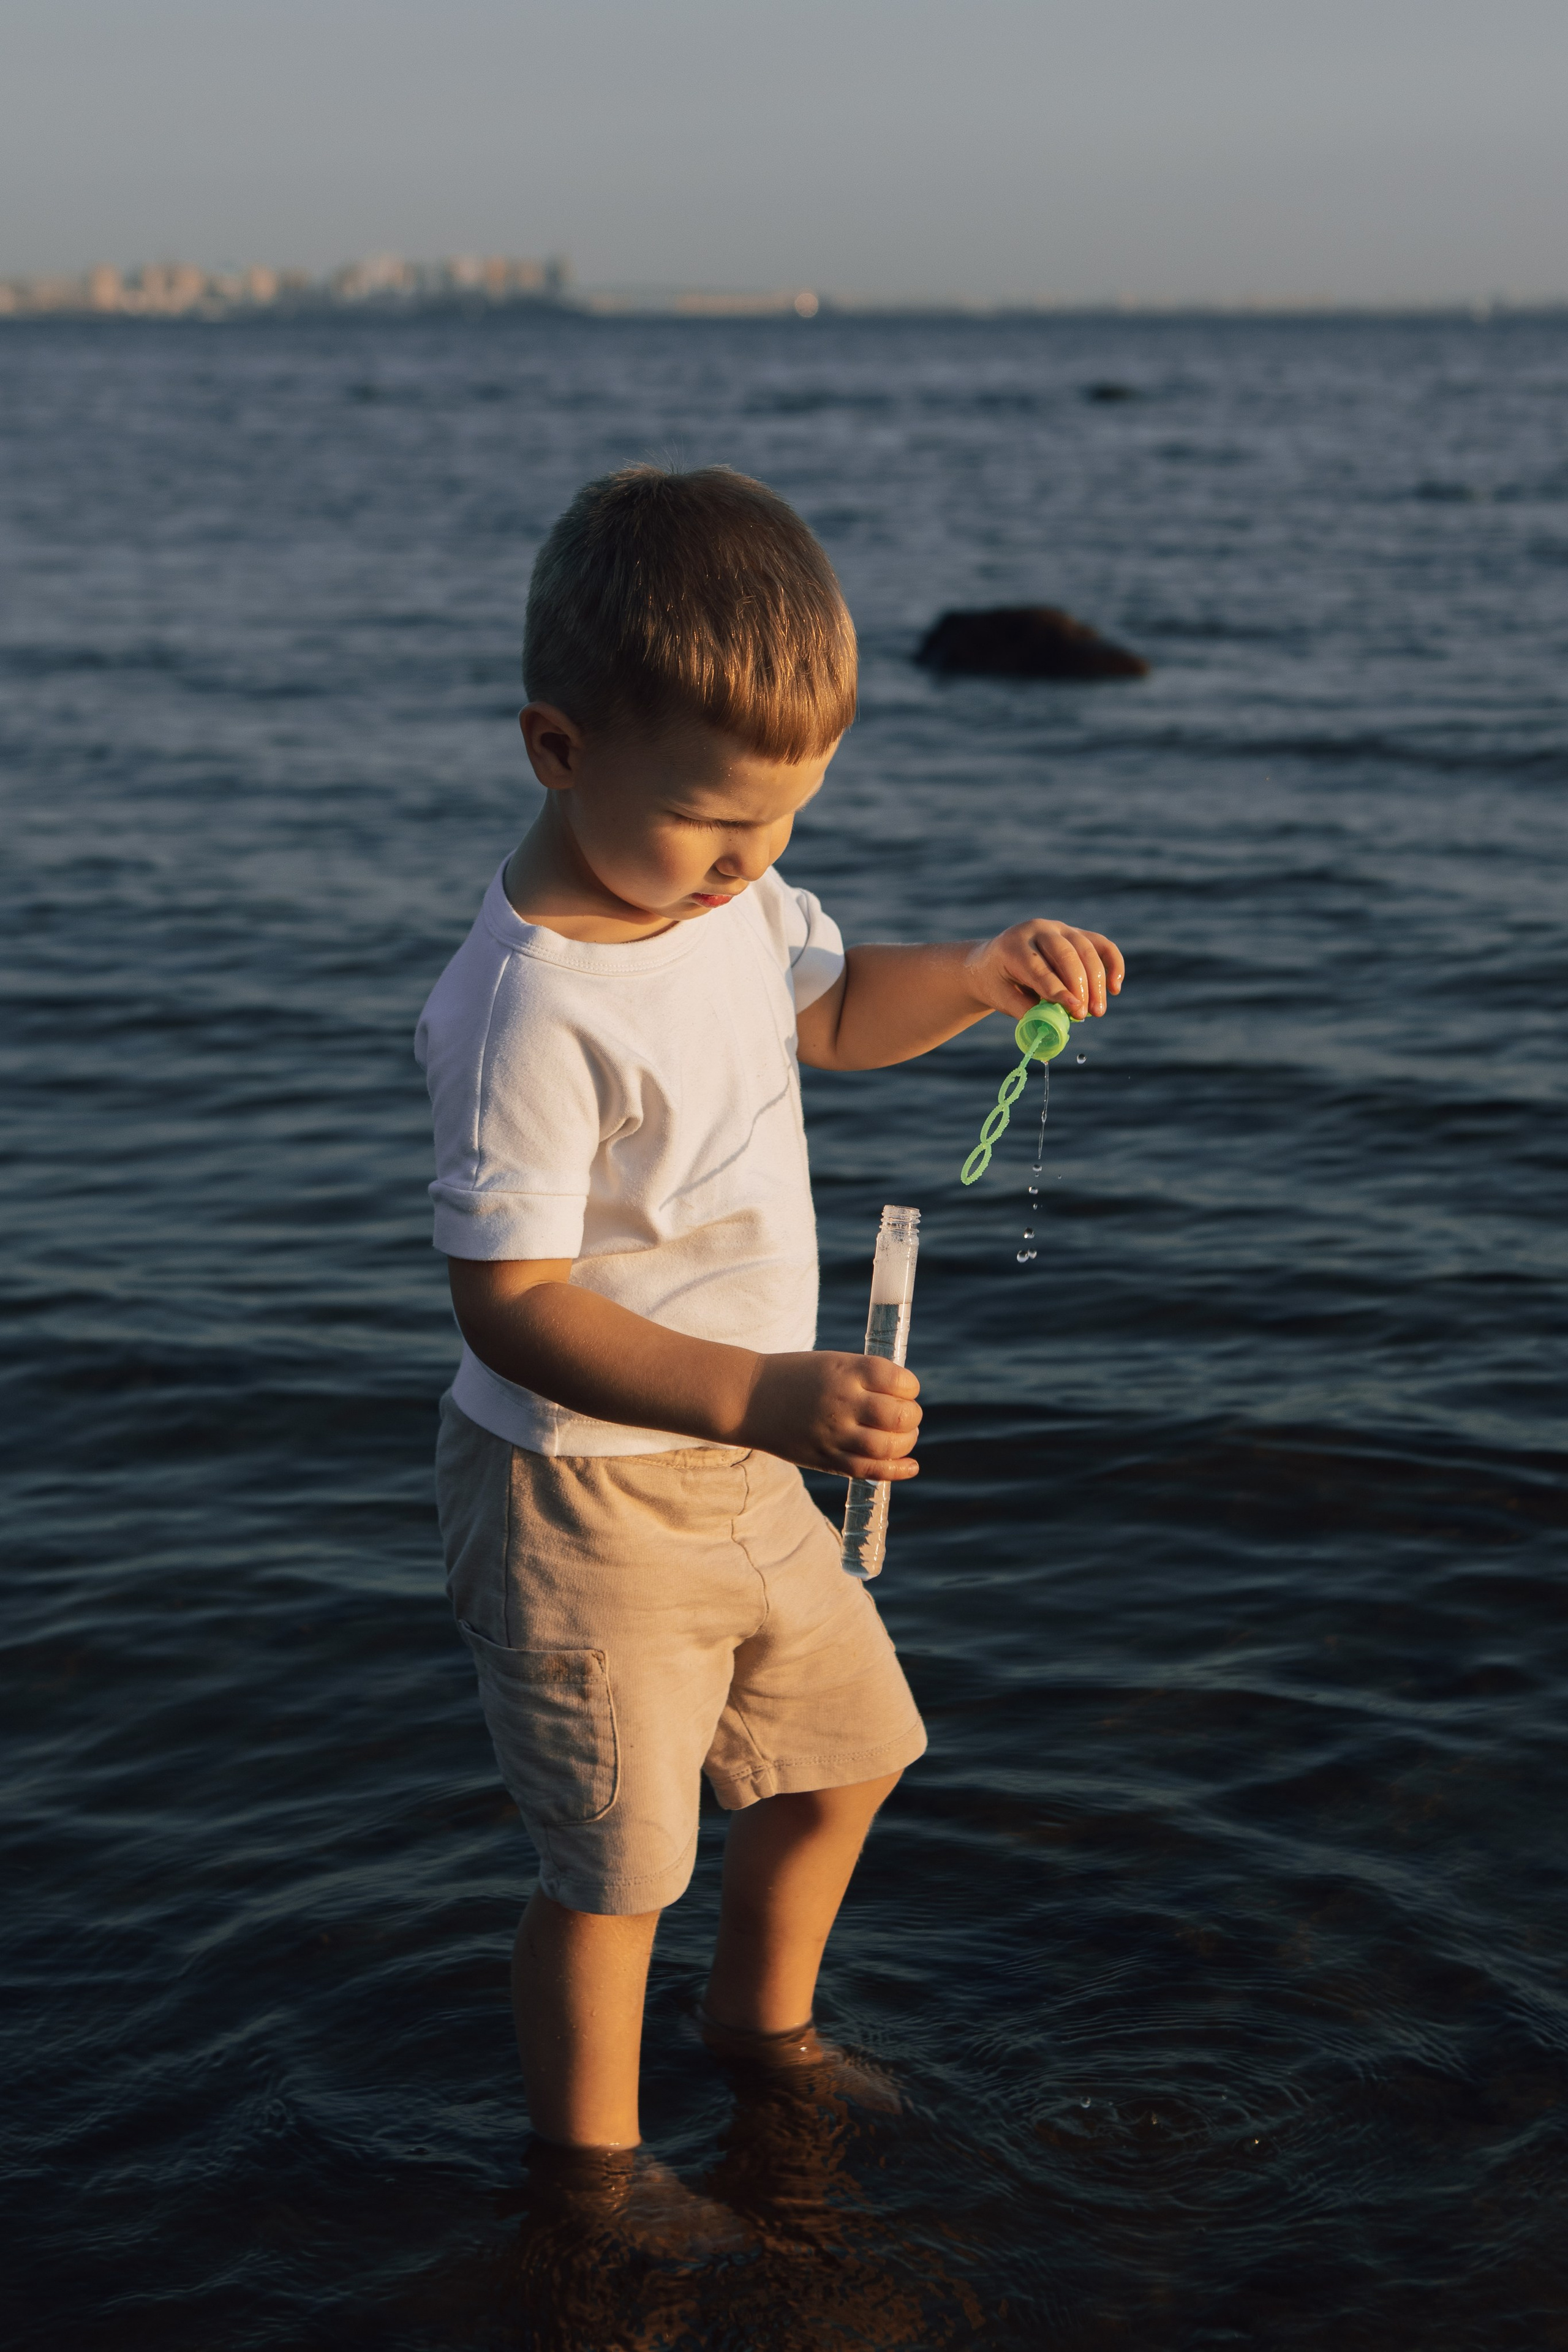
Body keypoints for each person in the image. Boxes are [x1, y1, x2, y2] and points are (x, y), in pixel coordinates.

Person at [416, 463, 1123, 2173]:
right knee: (618, 1873)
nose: (752, 869)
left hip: (749, 1458)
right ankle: (595, 2179)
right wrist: (761, 1396)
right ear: (558, 748)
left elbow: (834, 1007)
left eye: (785, 825)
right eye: (716, 827)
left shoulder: (715, 901)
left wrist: (973, 978)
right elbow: (510, 1307)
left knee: (848, 1758)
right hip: (583, 1499)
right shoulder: (530, 1009)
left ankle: (759, 2030)